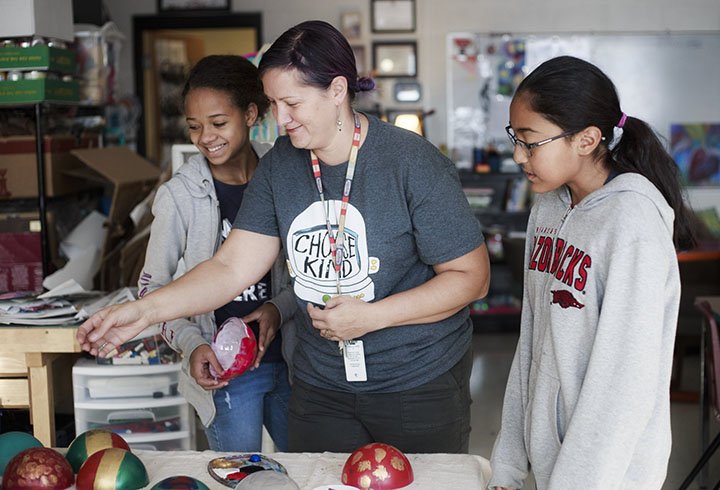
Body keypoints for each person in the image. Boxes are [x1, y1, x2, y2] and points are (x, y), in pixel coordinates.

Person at [77, 20, 490, 454]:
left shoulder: (410, 162)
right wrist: (143, 312)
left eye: (291, 102)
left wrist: (373, 317)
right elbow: (230, 266)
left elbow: (471, 277)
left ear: (336, 90)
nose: (280, 119)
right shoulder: (281, 165)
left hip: (416, 381)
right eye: (273, 103)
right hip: (320, 388)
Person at [489, 55, 697, 490]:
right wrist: (506, 466)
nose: (517, 155)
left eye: (530, 142)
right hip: (555, 468)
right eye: (515, 138)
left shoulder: (632, 222)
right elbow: (532, 339)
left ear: (586, 140)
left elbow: (624, 381)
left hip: (609, 476)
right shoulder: (547, 207)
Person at [138, 54, 296, 452]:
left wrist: (280, 307)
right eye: (194, 127)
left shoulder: (283, 175)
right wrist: (193, 345)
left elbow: (309, 274)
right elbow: (151, 288)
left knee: (310, 471)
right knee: (241, 478)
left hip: (295, 364)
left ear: (251, 113)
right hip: (225, 375)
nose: (206, 137)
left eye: (218, 123)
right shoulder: (179, 196)